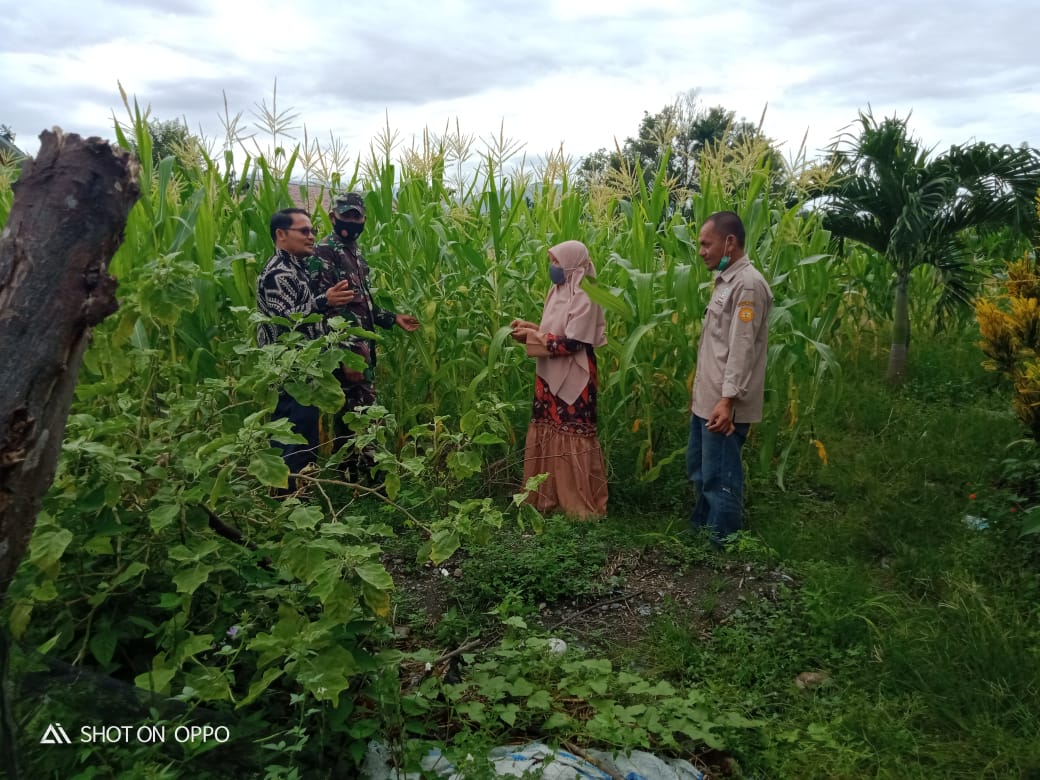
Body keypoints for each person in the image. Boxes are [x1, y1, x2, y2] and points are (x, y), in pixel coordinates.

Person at [310, 193, 419, 475]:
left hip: (361, 348)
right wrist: (348, 351)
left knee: (353, 412)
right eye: (344, 216)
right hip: (347, 349)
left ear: (364, 219)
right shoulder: (325, 252)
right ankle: (371, 474)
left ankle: (349, 473)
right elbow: (329, 308)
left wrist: (392, 318)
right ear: (333, 217)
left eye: (355, 216)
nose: (350, 222)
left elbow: (361, 304)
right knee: (363, 411)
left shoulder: (354, 252)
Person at [687, 211, 773, 543]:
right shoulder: (726, 282)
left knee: (721, 475)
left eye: (706, 244)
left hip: (724, 405)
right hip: (707, 400)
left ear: (730, 242)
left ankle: (722, 543)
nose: (702, 251)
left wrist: (727, 400)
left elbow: (741, 348)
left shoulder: (748, 285)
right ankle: (702, 533)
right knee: (701, 471)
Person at [256, 208, 354, 491]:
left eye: (312, 231)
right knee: (292, 431)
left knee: (304, 430)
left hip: (305, 366)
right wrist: (325, 301)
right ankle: (286, 495)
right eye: (304, 231)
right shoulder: (278, 272)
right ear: (281, 234)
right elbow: (284, 319)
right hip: (288, 366)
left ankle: (300, 493)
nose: (311, 236)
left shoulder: (298, 268)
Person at [510, 240, 608, 519]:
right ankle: (546, 497)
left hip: (576, 378)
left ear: (572, 264)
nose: (553, 268)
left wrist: (532, 338)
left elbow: (573, 342)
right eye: (551, 262)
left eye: (556, 262)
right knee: (549, 429)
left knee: (572, 434)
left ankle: (576, 503)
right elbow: (553, 332)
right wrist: (532, 329)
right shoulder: (558, 291)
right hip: (549, 377)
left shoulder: (586, 296)